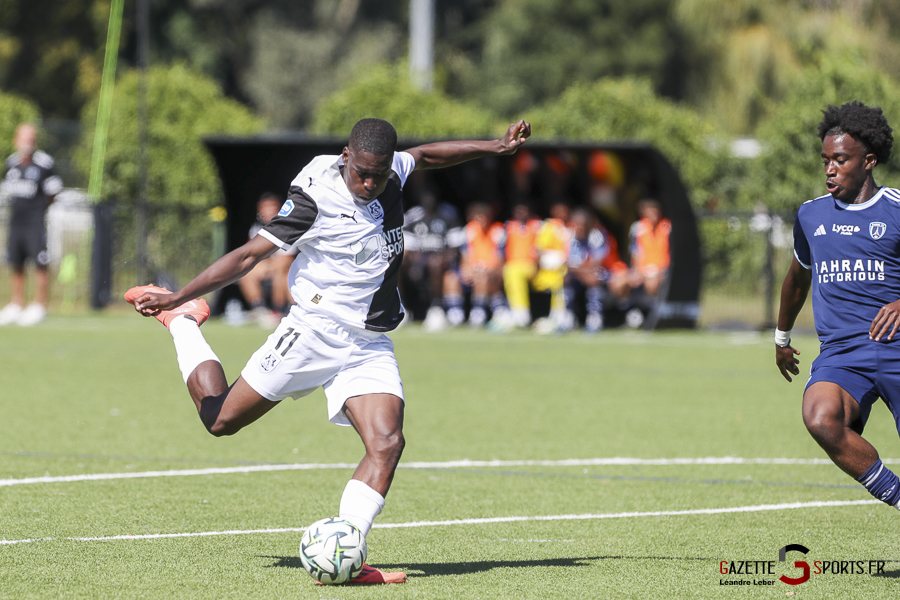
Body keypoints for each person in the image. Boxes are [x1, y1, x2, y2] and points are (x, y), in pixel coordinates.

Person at [125, 117, 531, 584]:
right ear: (345, 157)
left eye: (378, 175)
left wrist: (495, 146)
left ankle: (346, 556)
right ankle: (184, 323)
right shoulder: (313, 199)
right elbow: (248, 256)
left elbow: (425, 155)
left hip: (368, 341)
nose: (369, 183)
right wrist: (177, 297)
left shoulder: (391, 170)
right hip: (314, 332)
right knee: (219, 420)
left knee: (387, 443)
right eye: (361, 173)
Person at [776, 101, 900, 513]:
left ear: (869, 161)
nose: (830, 169)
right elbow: (797, 280)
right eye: (826, 160)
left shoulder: (896, 209)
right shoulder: (811, 215)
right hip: (844, 353)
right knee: (820, 417)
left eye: (840, 160)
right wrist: (782, 338)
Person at [0, 123, 63, 326]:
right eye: (24, 138)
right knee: (15, 262)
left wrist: (38, 210)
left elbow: (52, 192)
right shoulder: (11, 163)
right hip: (16, 222)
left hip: (35, 223)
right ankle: (16, 304)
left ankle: (39, 305)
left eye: (31, 138)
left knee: (40, 263)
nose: (28, 142)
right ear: (16, 140)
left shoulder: (44, 163)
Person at [401, 189, 463, 332]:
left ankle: (436, 308)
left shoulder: (449, 214)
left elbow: (455, 247)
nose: (429, 201)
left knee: (435, 262)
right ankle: (400, 308)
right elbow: (407, 247)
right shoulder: (413, 216)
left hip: (442, 261)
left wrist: (444, 257)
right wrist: (414, 260)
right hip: (419, 261)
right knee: (396, 263)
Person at [564, 207, 630, 333]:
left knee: (594, 280)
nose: (580, 228)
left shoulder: (598, 235)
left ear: (589, 224)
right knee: (565, 279)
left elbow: (597, 264)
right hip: (580, 274)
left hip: (605, 272)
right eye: (577, 224)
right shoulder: (569, 234)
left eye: (583, 225)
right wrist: (582, 271)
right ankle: (567, 317)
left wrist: (580, 269)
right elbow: (567, 262)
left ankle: (595, 318)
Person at [238, 193, 298, 327]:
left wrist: (270, 265)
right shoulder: (256, 227)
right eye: (264, 208)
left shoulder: (288, 226)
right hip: (269, 265)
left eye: (271, 207)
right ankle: (259, 309)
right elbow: (252, 254)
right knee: (247, 271)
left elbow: (287, 258)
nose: (267, 211)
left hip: (288, 266)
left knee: (280, 268)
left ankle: (278, 310)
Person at [444, 202, 508, 328]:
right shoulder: (468, 231)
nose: (482, 221)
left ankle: (478, 312)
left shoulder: (498, 231)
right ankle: (455, 313)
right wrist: (467, 270)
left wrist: (485, 271)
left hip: (490, 272)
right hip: (474, 270)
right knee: (450, 277)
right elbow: (465, 256)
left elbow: (500, 261)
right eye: (478, 218)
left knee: (482, 278)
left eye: (484, 217)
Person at [531, 200, 572, 333]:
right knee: (558, 282)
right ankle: (557, 315)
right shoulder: (548, 226)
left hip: (569, 267)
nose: (562, 213)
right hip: (550, 269)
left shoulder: (572, 227)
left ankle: (562, 315)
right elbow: (540, 249)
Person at [501, 202, 541, 328]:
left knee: (513, 272)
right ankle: (518, 312)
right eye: (518, 211)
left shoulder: (538, 225)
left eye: (524, 210)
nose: (521, 213)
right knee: (510, 271)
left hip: (532, 264)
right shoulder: (508, 226)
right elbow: (502, 248)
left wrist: (538, 264)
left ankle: (521, 313)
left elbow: (541, 246)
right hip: (513, 264)